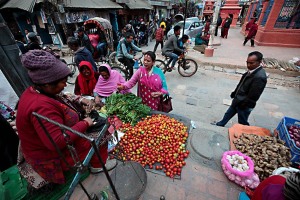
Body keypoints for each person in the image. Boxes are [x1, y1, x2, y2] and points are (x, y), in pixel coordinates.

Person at [16, 50, 115, 186]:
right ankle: (98, 165)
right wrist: (85, 123)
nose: (65, 85)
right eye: (62, 82)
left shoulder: (36, 91)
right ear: (47, 84)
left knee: (99, 122)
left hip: (45, 144)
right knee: (104, 130)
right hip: (51, 157)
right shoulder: (41, 107)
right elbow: (56, 142)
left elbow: (63, 96)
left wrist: (80, 100)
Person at [212, 51, 267, 126]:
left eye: (251, 63)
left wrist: (243, 104)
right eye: (247, 62)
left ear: (259, 62)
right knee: (228, 113)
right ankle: (221, 124)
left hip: (244, 104)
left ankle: (246, 133)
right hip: (238, 99)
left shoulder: (260, 77)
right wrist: (235, 93)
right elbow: (242, 83)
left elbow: (254, 95)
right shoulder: (252, 70)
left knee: (242, 121)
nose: (248, 65)